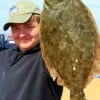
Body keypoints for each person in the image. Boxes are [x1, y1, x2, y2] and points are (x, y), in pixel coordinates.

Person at [0, 0, 63, 100]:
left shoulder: (48, 57)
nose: (22, 34)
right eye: (16, 28)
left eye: (29, 27)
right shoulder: (3, 57)